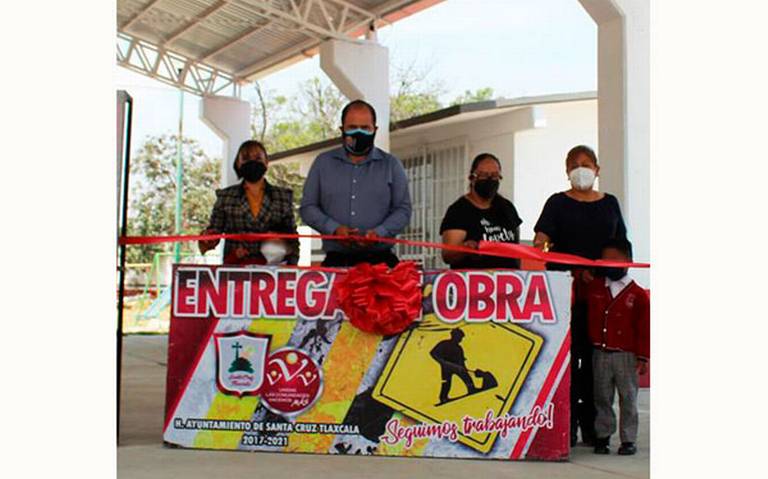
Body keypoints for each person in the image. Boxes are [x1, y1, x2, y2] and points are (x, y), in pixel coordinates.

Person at [532, 144, 628, 447]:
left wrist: (603, 273)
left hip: (602, 297)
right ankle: (567, 426)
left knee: (598, 366)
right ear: (566, 171)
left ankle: (596, 429)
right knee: (568, 364)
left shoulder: (610, 203)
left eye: (586, 163)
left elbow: (622, 246)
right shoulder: (557, 203)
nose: (580, 168)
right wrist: (563, 266)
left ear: (597, 169)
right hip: (566, 295)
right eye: (574, 164)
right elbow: (540, 242)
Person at [300, 100, 412, 267]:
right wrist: (334, 229)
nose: (359, 133)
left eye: (365, 128)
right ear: (342, 130)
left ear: (375, 130)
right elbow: (308, 207)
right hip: (336, 262)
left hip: (381, 263)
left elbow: (403, 210)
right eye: (352, 127)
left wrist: (379, 233)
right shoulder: (323, 163)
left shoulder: (391, 165)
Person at [587, 239, 649, 456]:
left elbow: (644, 328)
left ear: (628, 261)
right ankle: (603, 436)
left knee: (628, 397)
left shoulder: (638, 294)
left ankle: (628, 439)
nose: (609, 263)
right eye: (605, 259)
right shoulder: (595, 287)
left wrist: (643, 357)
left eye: (615, 259)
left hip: (626, 355)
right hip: (601, 353)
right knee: (602, 396)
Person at [199, 140, 298, 265]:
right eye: (246, 158)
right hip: (235, 269)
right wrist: (207, 238)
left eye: (258, 158)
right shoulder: (225, 196)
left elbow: (292, 238)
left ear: (267, 162)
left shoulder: (283, 196)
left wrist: (293, 266)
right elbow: (214, 232)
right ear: (238, 164)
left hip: (274, 271)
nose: (252, 162)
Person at [439, 153, 522, 269]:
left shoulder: (507, 207)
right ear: (472, 178)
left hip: (508, 281)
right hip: (474, 283)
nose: (490, 180)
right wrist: (465, 248)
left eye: (494, 176)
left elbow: (516, 248)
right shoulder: (458, 211)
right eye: (484, 175)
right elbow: (448, 255)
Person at [430, 329, 479, 404]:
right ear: (454, 336)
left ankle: (471, 389)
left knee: (466, 377)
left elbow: (461, 360)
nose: (460, 339)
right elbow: (433, 353)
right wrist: (442, 362)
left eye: (461, 338)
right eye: (460, 337)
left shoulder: (459, 348)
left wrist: (464, 368)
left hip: (458, 367)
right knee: (446, 382)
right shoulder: (444, 343)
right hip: (446, 368)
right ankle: (443, 398)